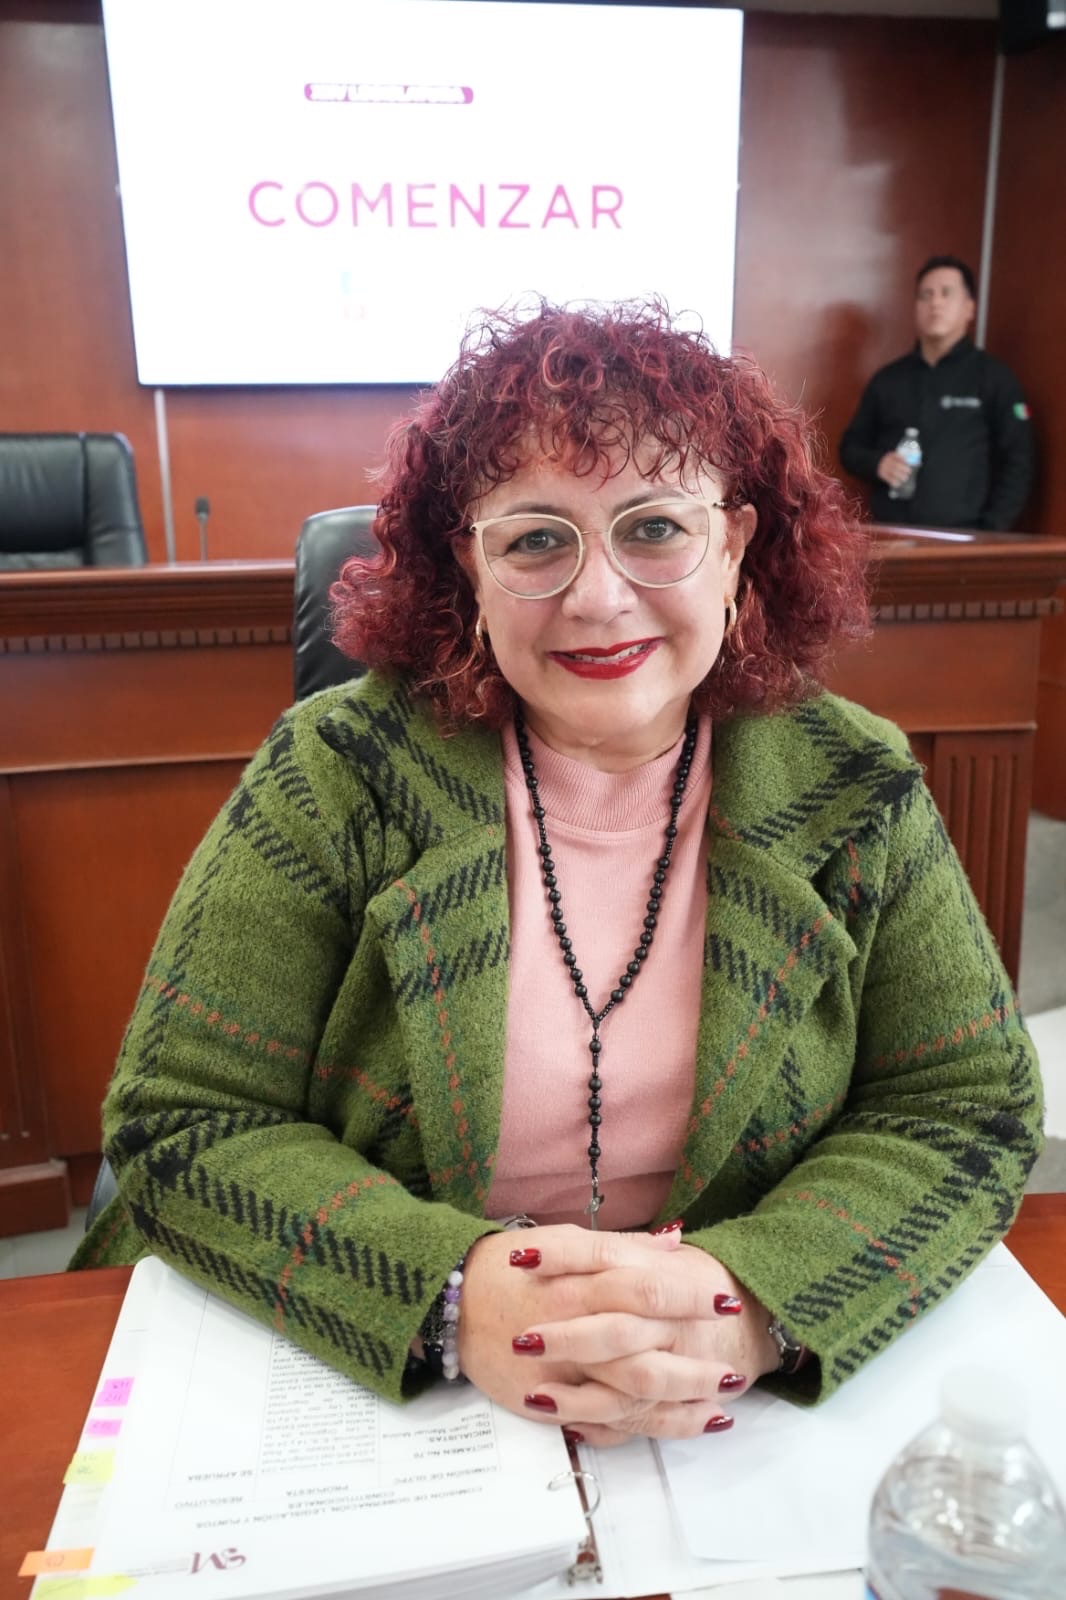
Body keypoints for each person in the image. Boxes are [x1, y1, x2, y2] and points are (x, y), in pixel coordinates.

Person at [73, 300, 1042, 1449]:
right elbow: (182, 1117)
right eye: (535, 539)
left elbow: (966, 1107)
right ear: (469, 568)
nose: (597, 595)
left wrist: (754, 1298)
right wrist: (447, 1292)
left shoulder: (852, 782)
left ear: (733, 546)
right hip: (371, 1391)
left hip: (720, 1411)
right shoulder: (337, 772)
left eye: (654, 528)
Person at [839, 255, 1035, 530]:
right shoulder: (888, 379)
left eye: (946, 293)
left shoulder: (994, 378)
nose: (936, 303)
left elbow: (1019, 462)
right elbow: (849, 449)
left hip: (963, 536)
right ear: (916, 307)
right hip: (890, 533)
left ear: (969, 308)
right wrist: (878, 463)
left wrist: (989, 532)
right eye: (926, 295)